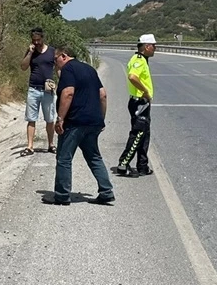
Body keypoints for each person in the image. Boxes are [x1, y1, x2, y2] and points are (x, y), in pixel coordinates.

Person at [43, 47, 115, 206]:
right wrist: (100, 119)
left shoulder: (68, 69)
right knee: (94, 157)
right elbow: (102, 95)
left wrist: (60, 119)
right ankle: (106, 191)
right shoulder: (89, 69)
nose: (55, 65)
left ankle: (62, 195)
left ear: (64, 56)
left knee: (64, 158)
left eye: (55, 61)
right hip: (93, 123)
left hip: (75, 122)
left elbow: (68, 93)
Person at [114, 33, 155, 177]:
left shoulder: (142, 59)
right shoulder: (139, 60)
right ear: (147, 46)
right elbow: (132, 76)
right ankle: (123, 164)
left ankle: (142, 166)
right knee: (138, 134)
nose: (155, 49)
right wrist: (144, 91)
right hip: (139, 103)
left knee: (144, 135)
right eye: (153, 46)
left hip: (142, 103)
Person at [19, 28, 56, 156]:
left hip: (47, 90)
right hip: (33, 89)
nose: (36, 43)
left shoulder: (52, 51)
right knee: (31, 118)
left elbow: (58, 68)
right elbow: (23, 67)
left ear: (42, 38)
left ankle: (51, 144)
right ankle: (30, 146)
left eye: (38, 40)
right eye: (34, 40)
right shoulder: (31, 51)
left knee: (50, 119)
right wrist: (29, 53)